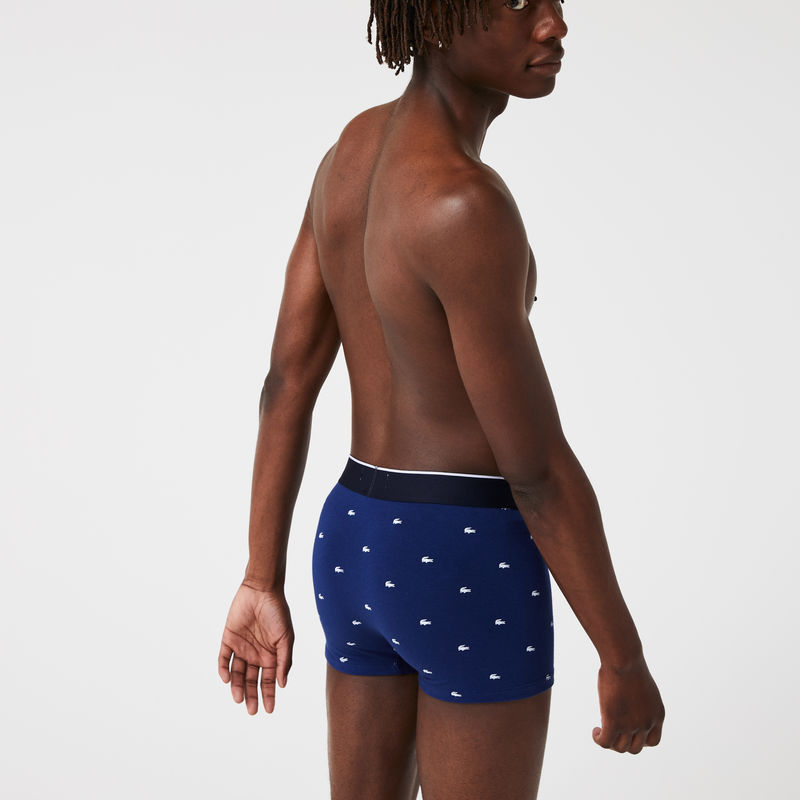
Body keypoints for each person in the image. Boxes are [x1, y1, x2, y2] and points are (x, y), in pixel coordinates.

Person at [217, 1, 666, 797]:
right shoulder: (466, 203)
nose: (553, 25)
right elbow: (537, 472)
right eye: (517, 3)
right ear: (433, 20)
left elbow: (286, 381)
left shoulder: (348, 155)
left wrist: (261, 575)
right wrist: (622, 657)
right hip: (464, 552)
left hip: (353, 537)